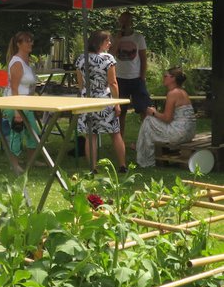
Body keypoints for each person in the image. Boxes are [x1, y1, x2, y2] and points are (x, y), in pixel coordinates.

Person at [75, 30, 126, 173]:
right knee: (115, 133)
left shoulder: (81, 59)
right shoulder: (108, 59)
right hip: (104, 99)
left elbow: (80, 83)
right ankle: (122, 165)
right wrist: (117, 103)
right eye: (107, 41)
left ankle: (93, 168)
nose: (110, 43)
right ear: (99, 42)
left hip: (87, 99)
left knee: (90, 135)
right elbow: (113, 82)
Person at [136, 67, 196, 167]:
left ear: (173, 78)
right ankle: (141, 148)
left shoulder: (172, 93)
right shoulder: (183, 92)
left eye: (165, 76)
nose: (163, 78)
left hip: (179, 133)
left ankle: (145, 159)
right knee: (150, 120)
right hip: (189, 133)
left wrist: (153, 112)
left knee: (148, 120)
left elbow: (167, 119)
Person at [3, 31, 40, 174]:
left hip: (26, 103)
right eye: (27, 41)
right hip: (16, 103)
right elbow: (14, 87)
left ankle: (32, 162)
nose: (30, 43)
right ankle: (15, 164)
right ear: (19, 44)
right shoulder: (17, 62)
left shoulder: (26, 61)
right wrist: (17, 110)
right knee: (16, 133)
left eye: (31, 41)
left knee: (34, 133)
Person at [110, 11, 151, 137]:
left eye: (127, 21)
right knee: (121, 111)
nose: (124, 24)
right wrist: (117, 39)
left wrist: (142, 76)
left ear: (131, 23)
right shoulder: (114, 37)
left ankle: (145, 137)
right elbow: (110, 55)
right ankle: (120, 138)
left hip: (136, 78)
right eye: (122, 21)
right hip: (120, 78)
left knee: (143, 108)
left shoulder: (138, 37)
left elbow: (143, 58)